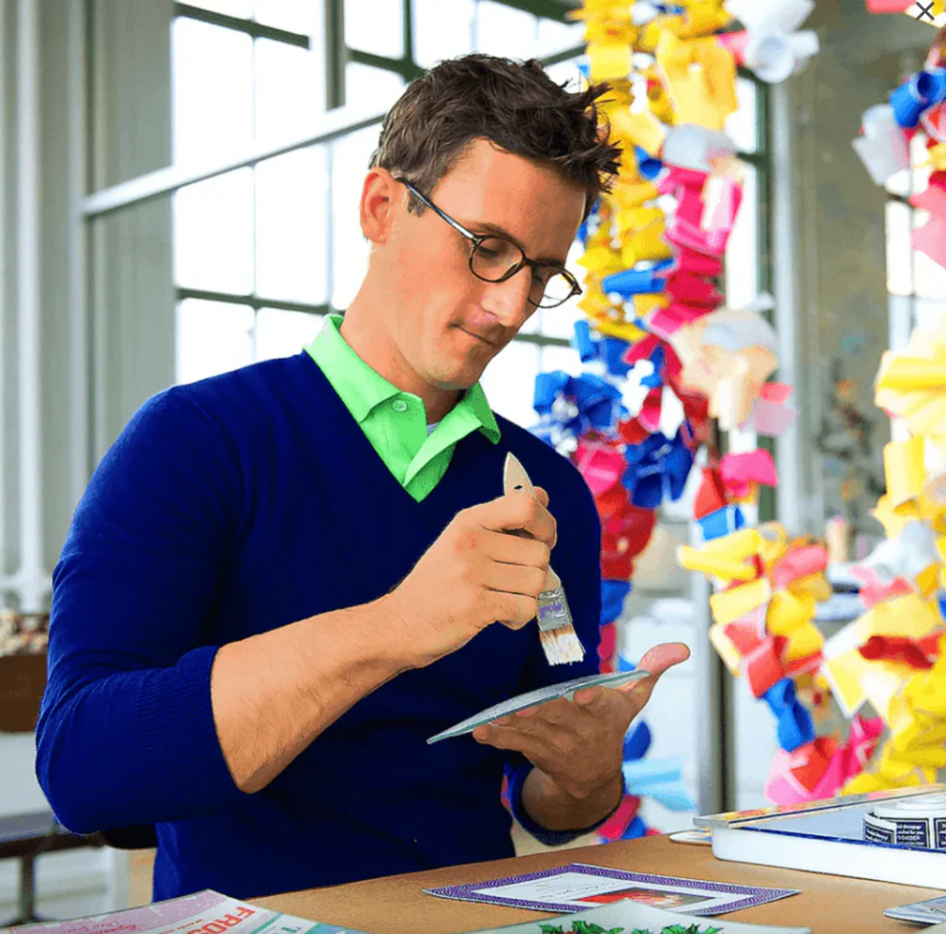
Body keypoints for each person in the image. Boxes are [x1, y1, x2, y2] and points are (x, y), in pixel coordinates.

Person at [36, 53, 689, 901]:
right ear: (381, 207)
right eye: (486, 249)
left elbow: (553, 803)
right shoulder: (194, 443)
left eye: (542, 273)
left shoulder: (548, 491)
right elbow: (83, 771)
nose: (510, 308)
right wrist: (397, 625)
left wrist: (588, 773)